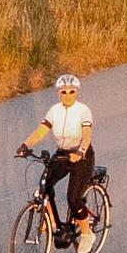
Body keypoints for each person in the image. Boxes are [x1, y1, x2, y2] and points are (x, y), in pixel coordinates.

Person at [32, 70, 98, 240]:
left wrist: (81, 151)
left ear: (76, 92)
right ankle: (53, 223)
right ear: (58, 93)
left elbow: (87, 134)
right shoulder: (54, 110)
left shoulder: (83, 110)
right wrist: (25, 145)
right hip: (62, 154)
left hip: (82, 156)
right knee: (43, 188)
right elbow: (41, 131)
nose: (68, 95)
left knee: (73, 198)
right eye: (63, 92)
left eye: (71, 91)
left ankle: (86, 234)